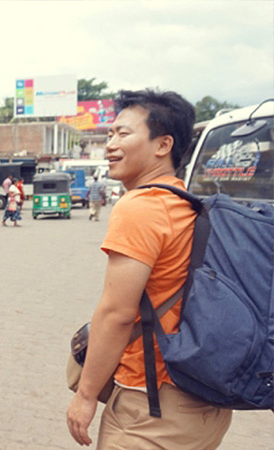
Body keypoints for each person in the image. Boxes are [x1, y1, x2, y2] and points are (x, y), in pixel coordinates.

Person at [66, 89, 232, 448]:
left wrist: (85, 395)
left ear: (163, 145)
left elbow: (118, 313)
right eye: (110, 134)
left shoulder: (140, 206)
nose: (110, 143)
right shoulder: (189, 205)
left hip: (152, 405)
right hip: (203, 404)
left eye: (123, 133)